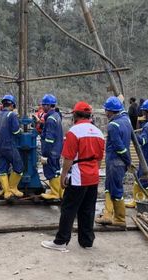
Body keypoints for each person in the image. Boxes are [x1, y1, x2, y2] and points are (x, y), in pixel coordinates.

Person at [41, 101, 105, 251]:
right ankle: (87, 241)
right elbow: (100, 159)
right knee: (88, 209)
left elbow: (69, 158)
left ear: (75, 115)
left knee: (69, 208)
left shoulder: (74, 132)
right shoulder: (99, 132)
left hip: (78, 176)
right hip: (93, 176)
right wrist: (94, 171)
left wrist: (63, 175)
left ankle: (61, 241)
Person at [95, 96, 132, 227]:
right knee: (110, 187)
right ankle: (108, 214)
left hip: (115, 161)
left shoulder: (113, 125)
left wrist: (127, 160)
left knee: (115, 189)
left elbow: (119, 146)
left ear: (110, 111)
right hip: (120, 162)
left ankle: (120, 219)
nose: (105, 113)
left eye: (106, 110)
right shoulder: (126, 120)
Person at [0, 94, 24, 200]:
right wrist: (20, 131)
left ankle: (6, 192)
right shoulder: (12, 115)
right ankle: (13, 188)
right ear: (12, 105)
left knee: (2, 169)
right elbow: (15, 131)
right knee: (19, 166)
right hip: (8, 146)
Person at [39, 93, 64, 201]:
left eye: (44, 105)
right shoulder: (57, 116)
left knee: (50, 171)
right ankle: (60, 192)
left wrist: (45, 154)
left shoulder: (50, 119)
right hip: (57, 149)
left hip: (51, 150)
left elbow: (49, 139)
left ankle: (54, 193)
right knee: (56, 170)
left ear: (49, 105)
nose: (42, 107)